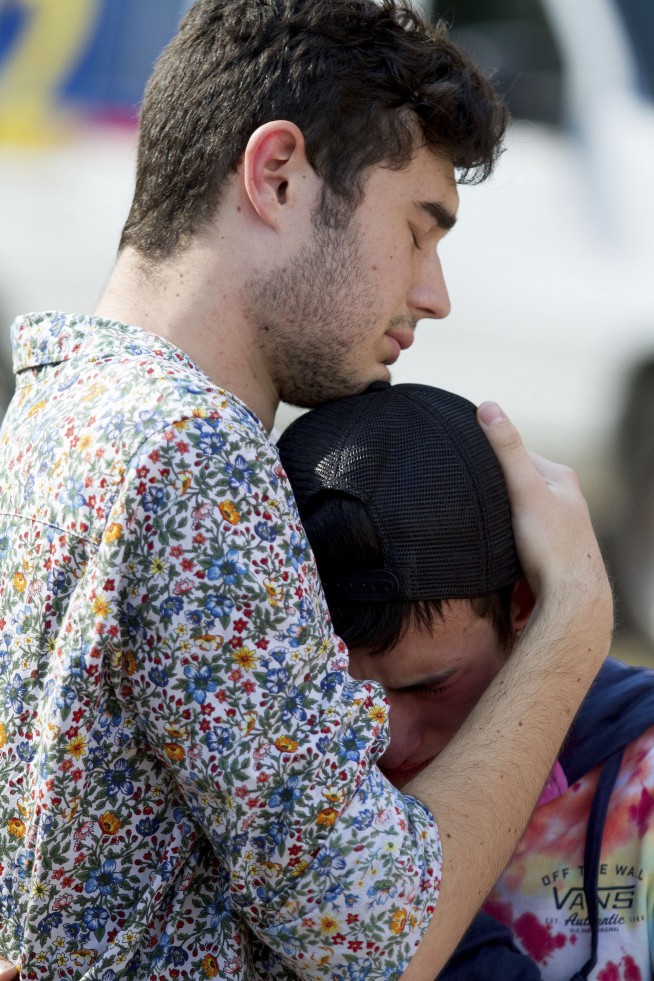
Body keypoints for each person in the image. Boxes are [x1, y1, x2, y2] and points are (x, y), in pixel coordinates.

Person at [0, 2, 613, 979]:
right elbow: (380, 939)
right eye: (418, 229)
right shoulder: (189, 453)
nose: (435, 292)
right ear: (277, 175)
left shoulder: (56, 410)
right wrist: (576, 619)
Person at [276, 381, 654, 981]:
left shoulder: (644, 780)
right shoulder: (257, 797)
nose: (388, 739)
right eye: (343, 692)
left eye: (431, 686)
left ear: (526, 607)